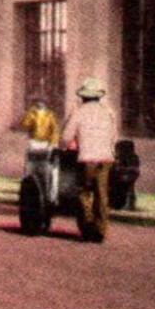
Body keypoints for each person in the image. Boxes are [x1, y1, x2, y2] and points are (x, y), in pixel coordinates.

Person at [59, 77, 118, 242]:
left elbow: (65, 137)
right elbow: (114, 136)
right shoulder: (108, 112)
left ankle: (87, 227)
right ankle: (100, 230)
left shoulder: (79, 113)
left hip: (86, 159)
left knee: (84, 193)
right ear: (98, 96)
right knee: (101, 194)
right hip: (105, 159)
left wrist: (64, 146)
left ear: (83, 96)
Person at [16, 96, 61, 201]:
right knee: (30, 163)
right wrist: (29, 114)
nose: (40, 104)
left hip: (46, 143)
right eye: (38, 102)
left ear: (45, 104)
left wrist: (53, 143)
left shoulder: (49, 115)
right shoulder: (32, 114)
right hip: (34, 142)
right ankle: (28, 185)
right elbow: (24, 125)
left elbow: (54, 129)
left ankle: (46, 189)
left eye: (42, 102)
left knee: (46, 164)